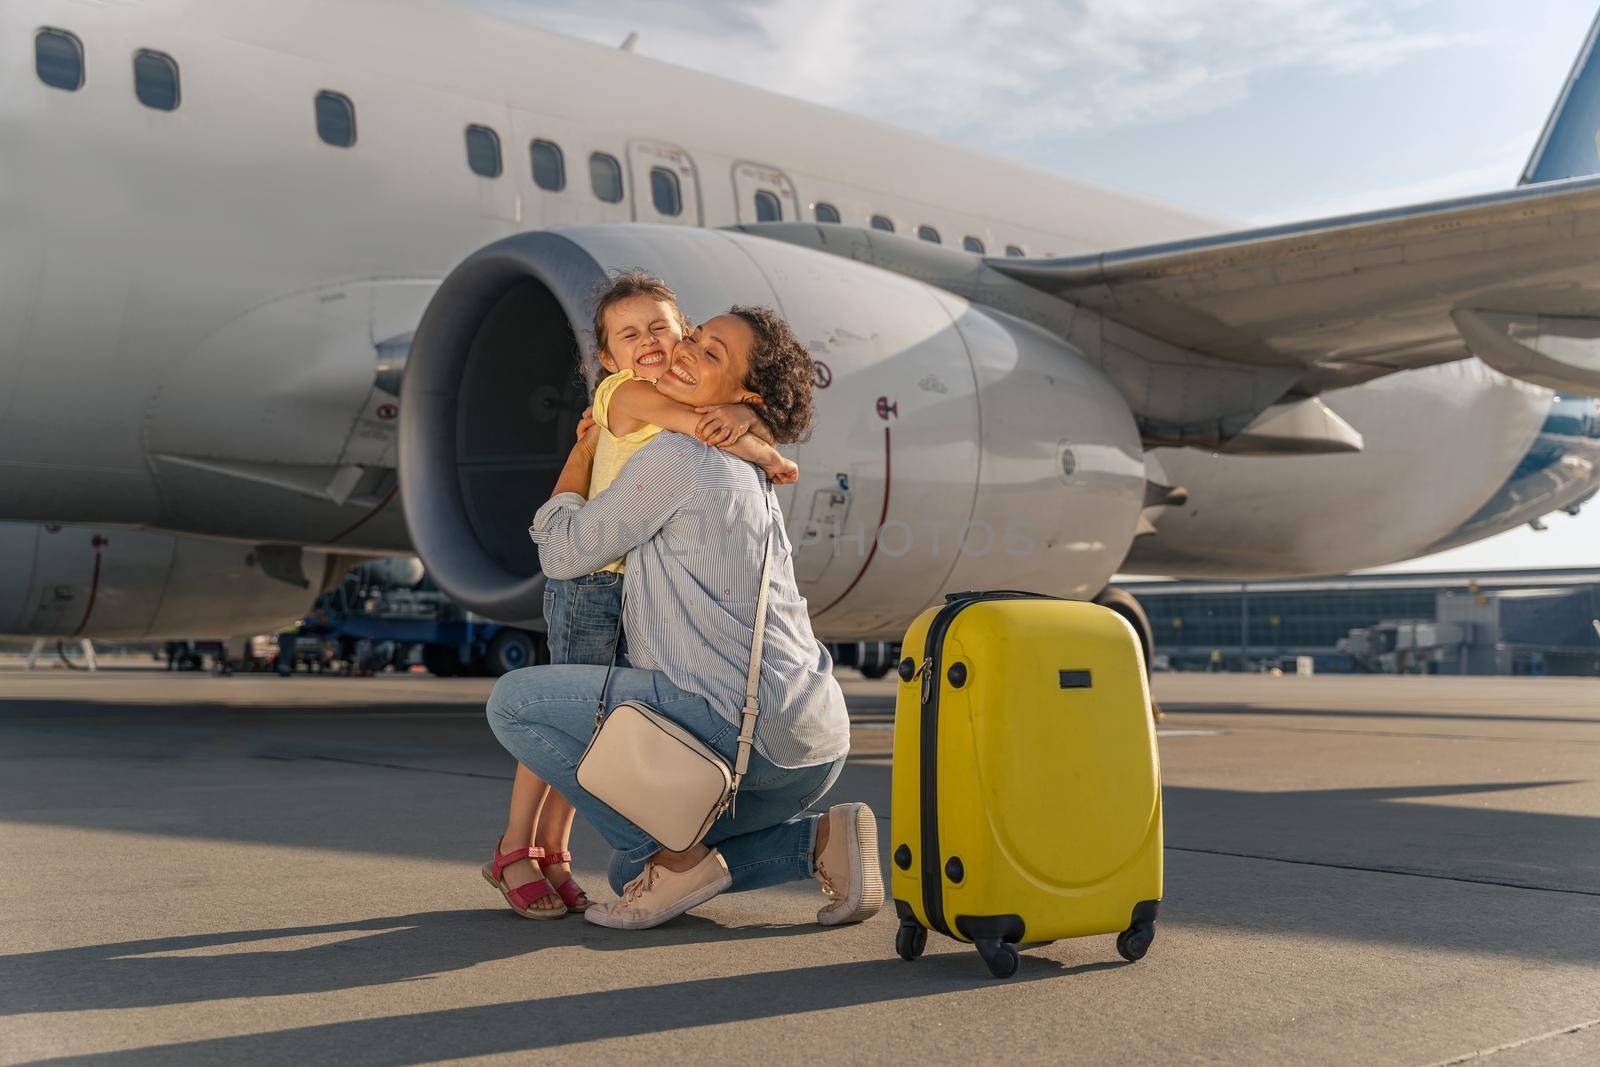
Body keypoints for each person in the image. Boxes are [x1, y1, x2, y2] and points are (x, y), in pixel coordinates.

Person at [486, 307, 882, 931]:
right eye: (695, 336)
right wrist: (746, 417)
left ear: (744, 397)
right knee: (629, 873)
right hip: (813, 747)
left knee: (513, 703)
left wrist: (582, 455)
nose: (685, 350)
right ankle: (816, 842)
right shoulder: (753, 469)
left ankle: (675, 856)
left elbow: (563, 552)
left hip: (737, 731)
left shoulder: (679, 457)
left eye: (713, 353)